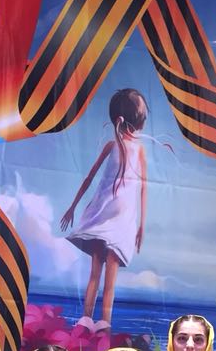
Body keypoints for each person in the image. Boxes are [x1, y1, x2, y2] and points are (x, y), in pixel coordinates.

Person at [61, 87, 151, 328]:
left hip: (106, 214)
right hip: (116, 217)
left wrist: (73, 206)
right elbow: (143, 189)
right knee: (107, 278)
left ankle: (90, 321)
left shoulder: (118, 146)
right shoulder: (130, 149)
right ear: (139, 120)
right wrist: (141, 225)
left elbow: (91, 177)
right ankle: (101, 323)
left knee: (97, 273)